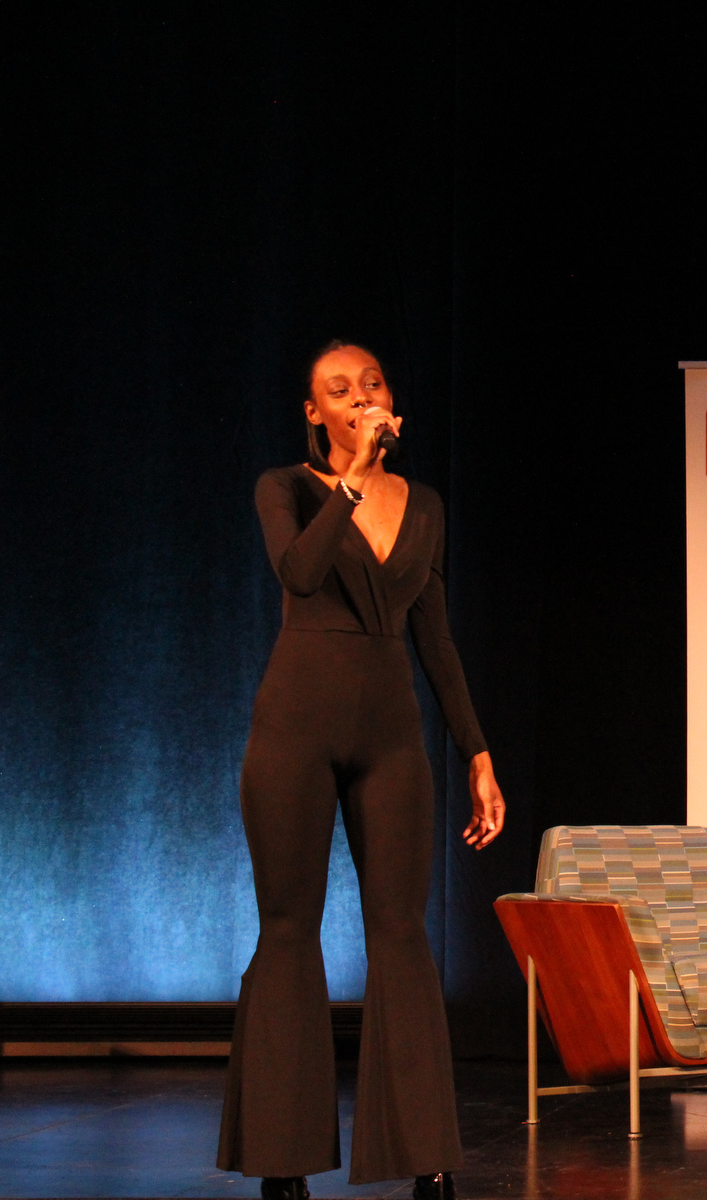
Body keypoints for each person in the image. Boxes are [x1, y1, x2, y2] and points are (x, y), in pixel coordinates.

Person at [218, 341, 506, 1200]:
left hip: (390, 738)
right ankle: (283, 1159)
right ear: (316, 414)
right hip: (294, 732)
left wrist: (479, 754)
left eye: (371, 384)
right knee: (289, 930)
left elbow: (437, 639)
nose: (359, 397)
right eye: (338, 391)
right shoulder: (285, 489)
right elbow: (300, 572)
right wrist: (350, 479)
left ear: (390, 397)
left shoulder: (424, 506)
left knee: (402, 935)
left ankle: (428, 1157)